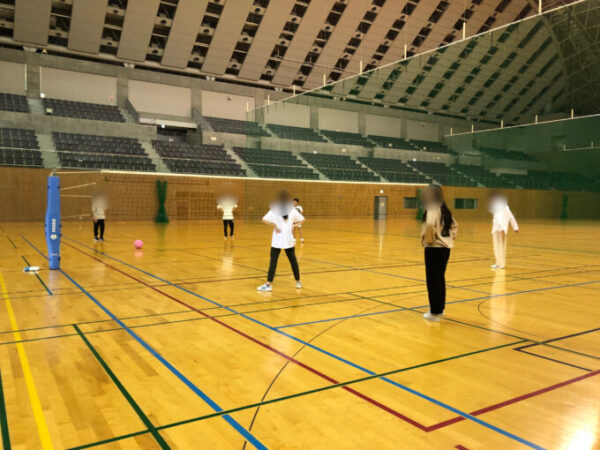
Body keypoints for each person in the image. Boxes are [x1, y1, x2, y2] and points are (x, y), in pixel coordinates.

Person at [420, 184, 458, 322]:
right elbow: (454, 225)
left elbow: (430, 225)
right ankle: (439, 309)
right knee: (440, 279)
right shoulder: (444, 208)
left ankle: (435, 313)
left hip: (434, 249)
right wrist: (449, 238)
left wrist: (430, 240)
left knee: (433, 281)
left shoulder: (432, 207)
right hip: (445, 249)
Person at [257, 191, 305, 292]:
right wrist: (294, 225)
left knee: (273, 262)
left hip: (277, 239)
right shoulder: (291, 209)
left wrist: (274, 225)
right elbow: (302, 219)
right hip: (288, 239)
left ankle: (268, 284)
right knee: (293, 261)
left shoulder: (275, 209)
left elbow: (264, 219)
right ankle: (298, 282)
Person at [488, 191, 519, 269]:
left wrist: (502, 228)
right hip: (499, 229)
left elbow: (499, 219)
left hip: (499, 229)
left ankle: (501, 264)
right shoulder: (505, 207)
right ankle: (498, 263)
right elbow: (511, 217)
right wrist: (515, 227)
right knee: (499, 247)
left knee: (499, 247)